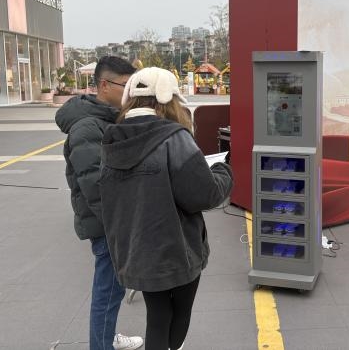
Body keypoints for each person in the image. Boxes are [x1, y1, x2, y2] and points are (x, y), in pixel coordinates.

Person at [99, 67, 233, 350]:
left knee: (157, 316)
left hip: (134, 249)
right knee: (180, 313)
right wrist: (223, 171)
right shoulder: (174, 137)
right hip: (176, 249)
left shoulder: (112, 138)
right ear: (168, 99)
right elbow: (204, 195)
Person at [55, 56, 143, 350]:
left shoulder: (107, 118)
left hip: (114, 220)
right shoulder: (87, 127)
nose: (129, 92)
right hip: (108, 224)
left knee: (112, 289)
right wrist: (119, 226)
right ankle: (101, 344)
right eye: (125, 85)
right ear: (104, 85)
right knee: (108, 291)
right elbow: (95, 186)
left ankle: (106, 337)